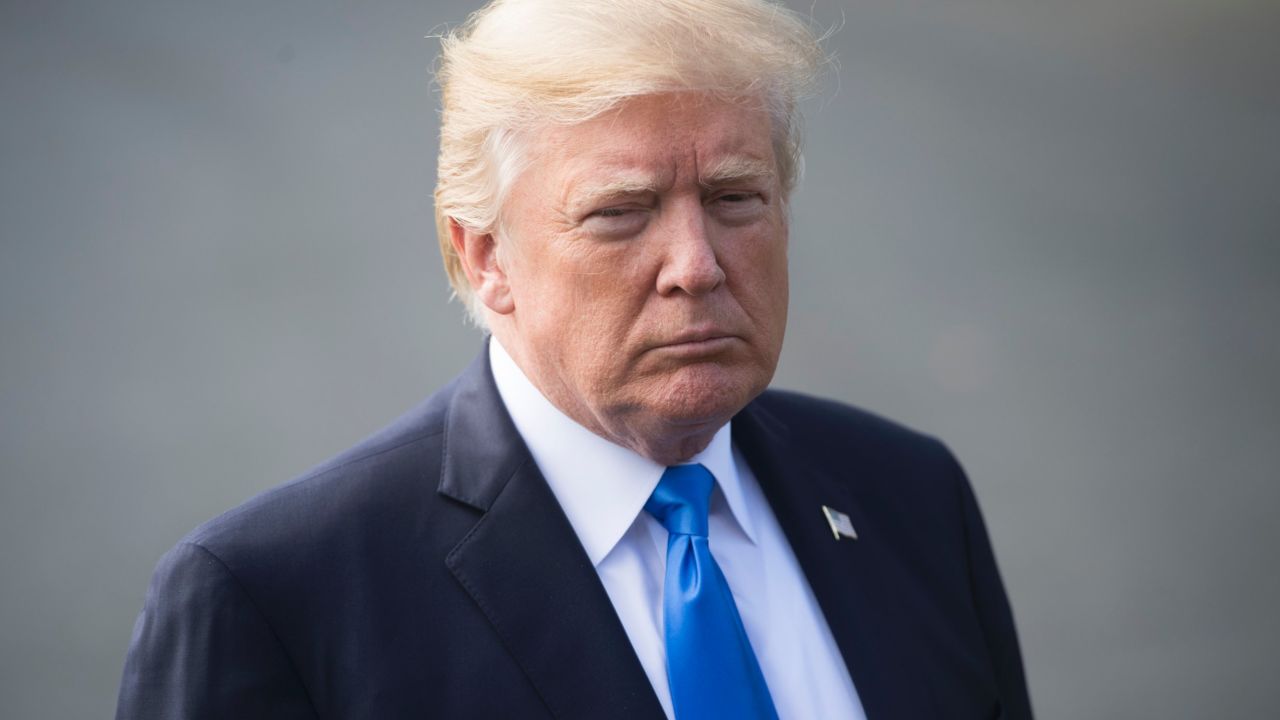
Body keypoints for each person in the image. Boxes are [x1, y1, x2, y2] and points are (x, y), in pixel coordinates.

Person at [115, 0, 1032, 717]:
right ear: (485, 255)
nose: (697, 265)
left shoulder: (911, 498)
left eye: (735, 196)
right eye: (620, 211)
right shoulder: (275, 598)